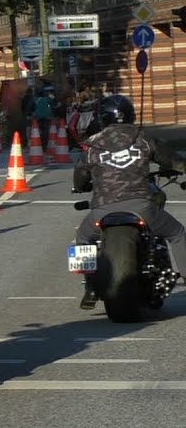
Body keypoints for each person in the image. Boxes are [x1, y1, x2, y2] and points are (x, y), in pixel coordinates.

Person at [72, 94, 186, 309]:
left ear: (102, 118)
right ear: (131, 115)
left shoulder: (92, 144)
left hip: (102, 207)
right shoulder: (143, 138)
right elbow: (173, 160)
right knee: (177, 233)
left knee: (83, 237)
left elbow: (80, 176)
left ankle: (90, 286)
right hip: (142, 205)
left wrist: (80, 186)